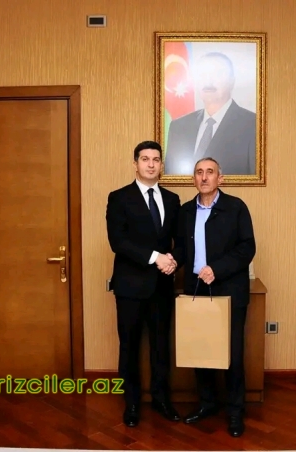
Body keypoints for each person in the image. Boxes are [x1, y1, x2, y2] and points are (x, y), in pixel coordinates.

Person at [171, 157, 256, 437]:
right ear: (193, 179)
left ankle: (235, 412)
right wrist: (172, 262)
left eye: (210, 172)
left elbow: (247, 248)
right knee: (201, 350)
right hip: (196, 290)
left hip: (229, 291)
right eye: (199, 172)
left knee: (232, 354)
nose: (204, 177)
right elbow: (181, 248)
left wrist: (217, 269)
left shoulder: (236, 207)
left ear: (221, 178)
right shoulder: (185, 211)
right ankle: (207, 404)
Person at [105, 140, 181, 427]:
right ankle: (132, 403)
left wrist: (173, 260)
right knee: (130, 346)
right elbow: (118, 241)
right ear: (135, 163)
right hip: (130, 287)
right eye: (145, 159)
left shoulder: (172, 200)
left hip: (162, 286)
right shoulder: (119, 198)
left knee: (161, 346)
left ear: (162, 165)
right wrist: (155, 257)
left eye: (156, 159)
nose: (151, 164)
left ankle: (161, 400)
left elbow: (180, 240)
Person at [164, 52, 256, 176]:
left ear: (232, 82)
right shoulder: (178, 126)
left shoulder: (253, 125)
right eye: (202, 75)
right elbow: (170, 178)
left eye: (217, 74)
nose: (208, 81)